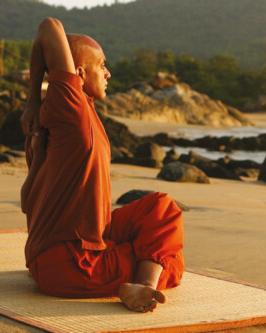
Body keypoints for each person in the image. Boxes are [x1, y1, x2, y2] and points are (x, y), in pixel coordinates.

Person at [19, 17, 184, 313]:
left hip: (66, 246)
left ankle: (138, 276)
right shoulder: (70, 109)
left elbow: (26, 200)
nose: (108, 73)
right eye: (102, 65)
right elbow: (48, 26)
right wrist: (31, 99)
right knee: (171, 263)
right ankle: (142, 286)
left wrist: (34, 105)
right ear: (78, 73)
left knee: (161, 208)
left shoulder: (61, 123)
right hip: (70, 264)